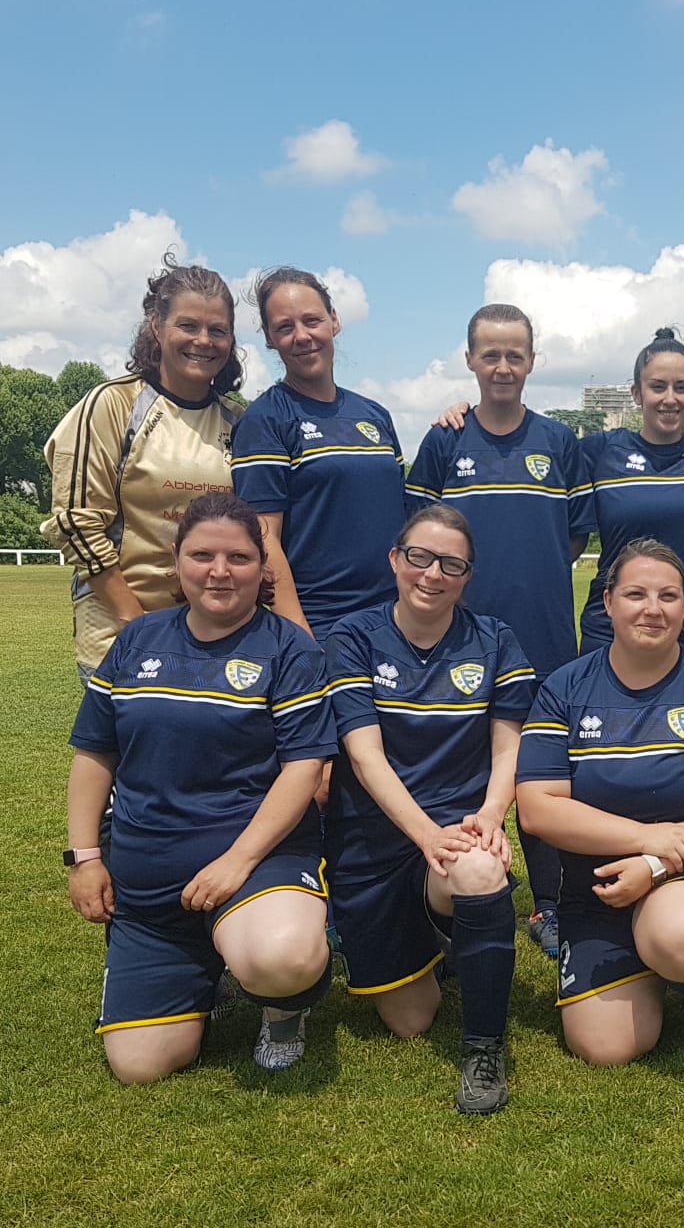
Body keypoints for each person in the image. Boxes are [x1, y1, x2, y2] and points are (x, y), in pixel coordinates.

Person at [64, 492, 335, 1082]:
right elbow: (94, 753)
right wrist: (84, 857)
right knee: (141, 1066)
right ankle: (201, 966)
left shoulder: (289, 648)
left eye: (238, 557)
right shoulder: (137, 641)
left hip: (255, 866)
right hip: (148, 882)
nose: (219, 571)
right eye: (202, 554)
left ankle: (282, 1010)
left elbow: (304, 769)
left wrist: (237, 862)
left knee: (281, 957)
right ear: (176, 558)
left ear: (262, 567)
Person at [516, 539, 684, 1068]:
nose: (652, 608)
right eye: (636, 594)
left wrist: (656, 864)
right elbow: (538, 808)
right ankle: (659, 959)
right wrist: (645, 838)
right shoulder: (564, 688)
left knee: (676, 933)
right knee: (607, 1048)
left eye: (667, 596)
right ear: (606, 602)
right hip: (599, 889)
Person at [322, 504, 535, 1114]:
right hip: (375, 835)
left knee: (477, 872)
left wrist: (492, 816)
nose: (432, 573)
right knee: (410, 1021)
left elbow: (508, 745)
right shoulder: (352, 637)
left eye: (452, 563)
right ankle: (445, 945)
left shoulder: (495, 640)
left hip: (459, 828)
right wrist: (424, 835)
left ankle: (483, 1047)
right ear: (395, 559)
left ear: (467, 576)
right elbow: (364, 757)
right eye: (419, 556)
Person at [407, 304, 595, 960]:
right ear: (470, 360)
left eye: (515, 354)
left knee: (543, 773)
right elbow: (418, 544)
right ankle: (445, 894)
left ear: (532, 361)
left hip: (544, 639)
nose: (503, 366)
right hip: (459, 647)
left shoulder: (560, 443)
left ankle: (550, 905)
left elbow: (571, 539)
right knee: (461, 769)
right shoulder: (444, 441)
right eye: (491, 354)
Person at [43, 256, 243, 683]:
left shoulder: (239, 422)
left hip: (216, 640)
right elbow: (76, 525)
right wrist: (139, 629)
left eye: (218, 330)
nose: (203, 340)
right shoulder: (111, 405)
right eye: (188, 326)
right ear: (157, 326)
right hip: (121, 636)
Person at [230, 267, 408, 641]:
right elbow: (263, 539)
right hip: (324, 626)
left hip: (397, 623)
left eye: (312, 320)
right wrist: (301, 638)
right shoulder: (265, 420)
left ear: (334, 320)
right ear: (269, 338)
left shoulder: (375, 416)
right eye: (284, 327)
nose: (302, 336)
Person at [578, 328, 684, 663]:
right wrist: (468, 413)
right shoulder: (600, 452)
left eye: (681, 387)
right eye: (657, 386)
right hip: (613, 631)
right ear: (636, 393)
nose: (670, 398)